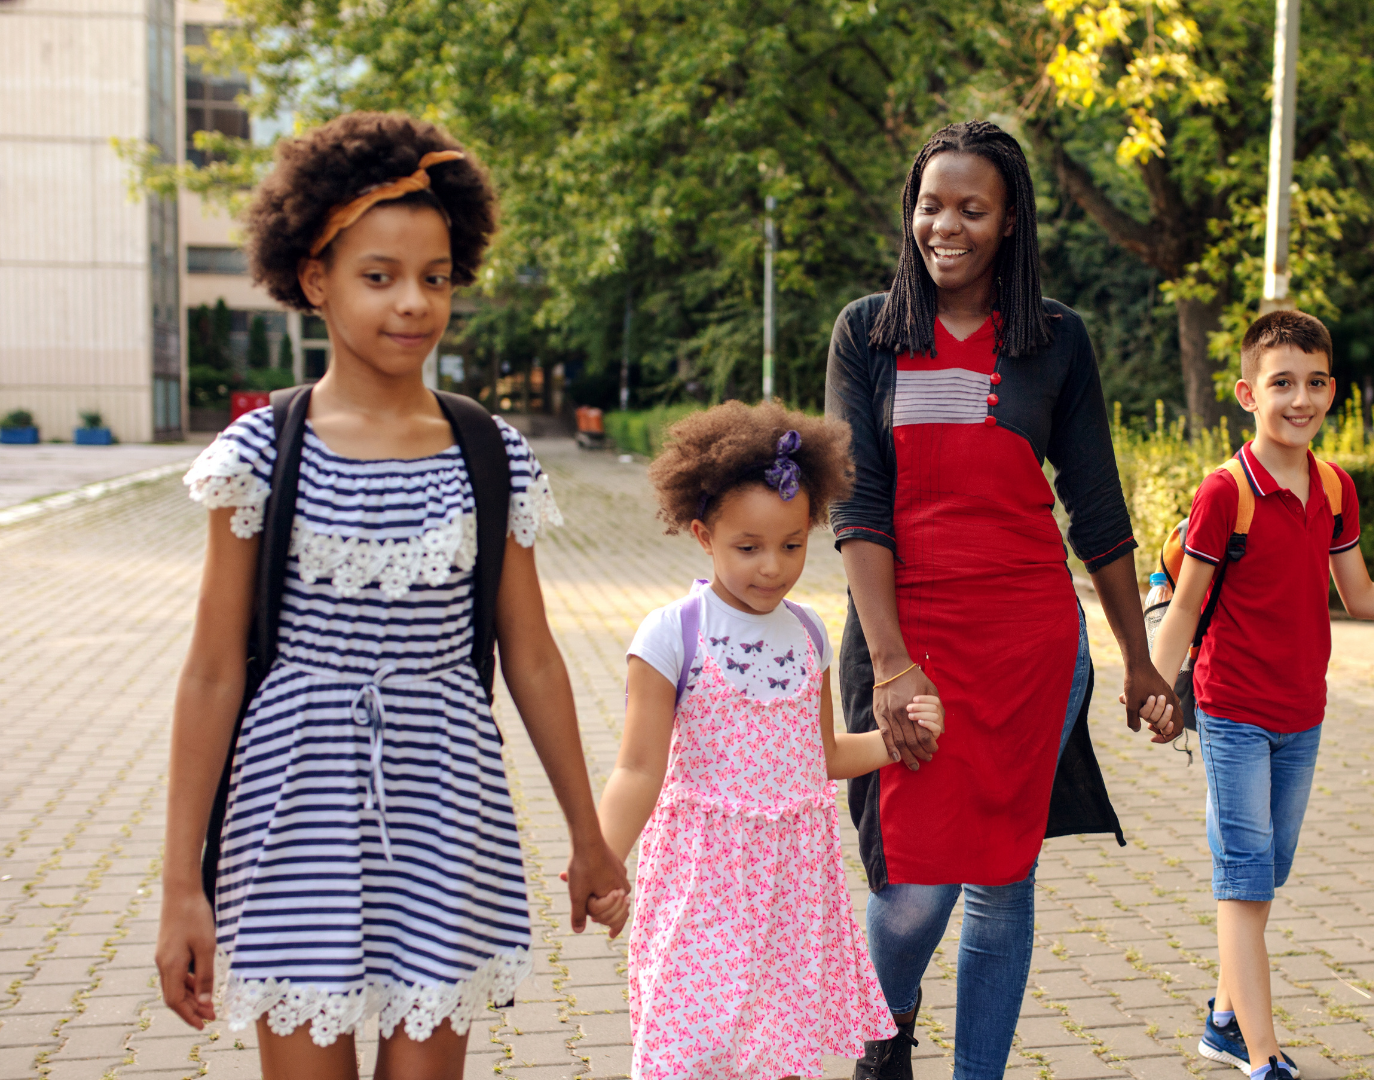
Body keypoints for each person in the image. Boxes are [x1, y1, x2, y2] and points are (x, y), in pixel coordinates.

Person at [154, 112, 630, 1079]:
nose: (412, 303)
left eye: (436, 277)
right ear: (315, 278)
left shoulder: (489, 453)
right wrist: (179, 888)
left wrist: (590, 836)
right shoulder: (260, 456)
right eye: (379, 276)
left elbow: (531, 654)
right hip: (292, 806)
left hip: (446, 798)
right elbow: (210, 674)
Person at [825, 119, 1181, 1080]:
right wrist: (893, 664)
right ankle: (880, 1034)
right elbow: (857, 507)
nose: (945, 224)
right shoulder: (868, 332)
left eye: (971, 208)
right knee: (914, 887)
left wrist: (1138, 660)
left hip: (1031, 645)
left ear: (1010, 221)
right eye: (930, 205)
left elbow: (1097, 508)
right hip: (907, 644)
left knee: (1003, 882)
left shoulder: (1055, 341)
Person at [1149, 311, 1374, 1080]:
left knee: (1268, 870)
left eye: (1315, 382)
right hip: (1231, 714)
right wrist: (1153, 690)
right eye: (1282, 383)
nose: (1301, 398)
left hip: (1302, 714)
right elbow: (1186, 606)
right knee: (1244, 877)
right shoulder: (1225, 493)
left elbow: (1361, 594)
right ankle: (1262, 1053)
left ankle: (1224, 1018)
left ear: (1331, 390)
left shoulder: (1334, 487)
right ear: (1248, 394)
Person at [595, 400, 938, 1080]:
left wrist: (900, 737)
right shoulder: (672, 633)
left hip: (791, 884)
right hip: (703, 880)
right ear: (702, 534)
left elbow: (825, 757)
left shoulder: (808, 633)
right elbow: (637, 770)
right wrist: (602, 858)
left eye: (791, 545)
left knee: (776, 1051)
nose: (772, 568)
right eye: (747, 548)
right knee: (686, 1046)